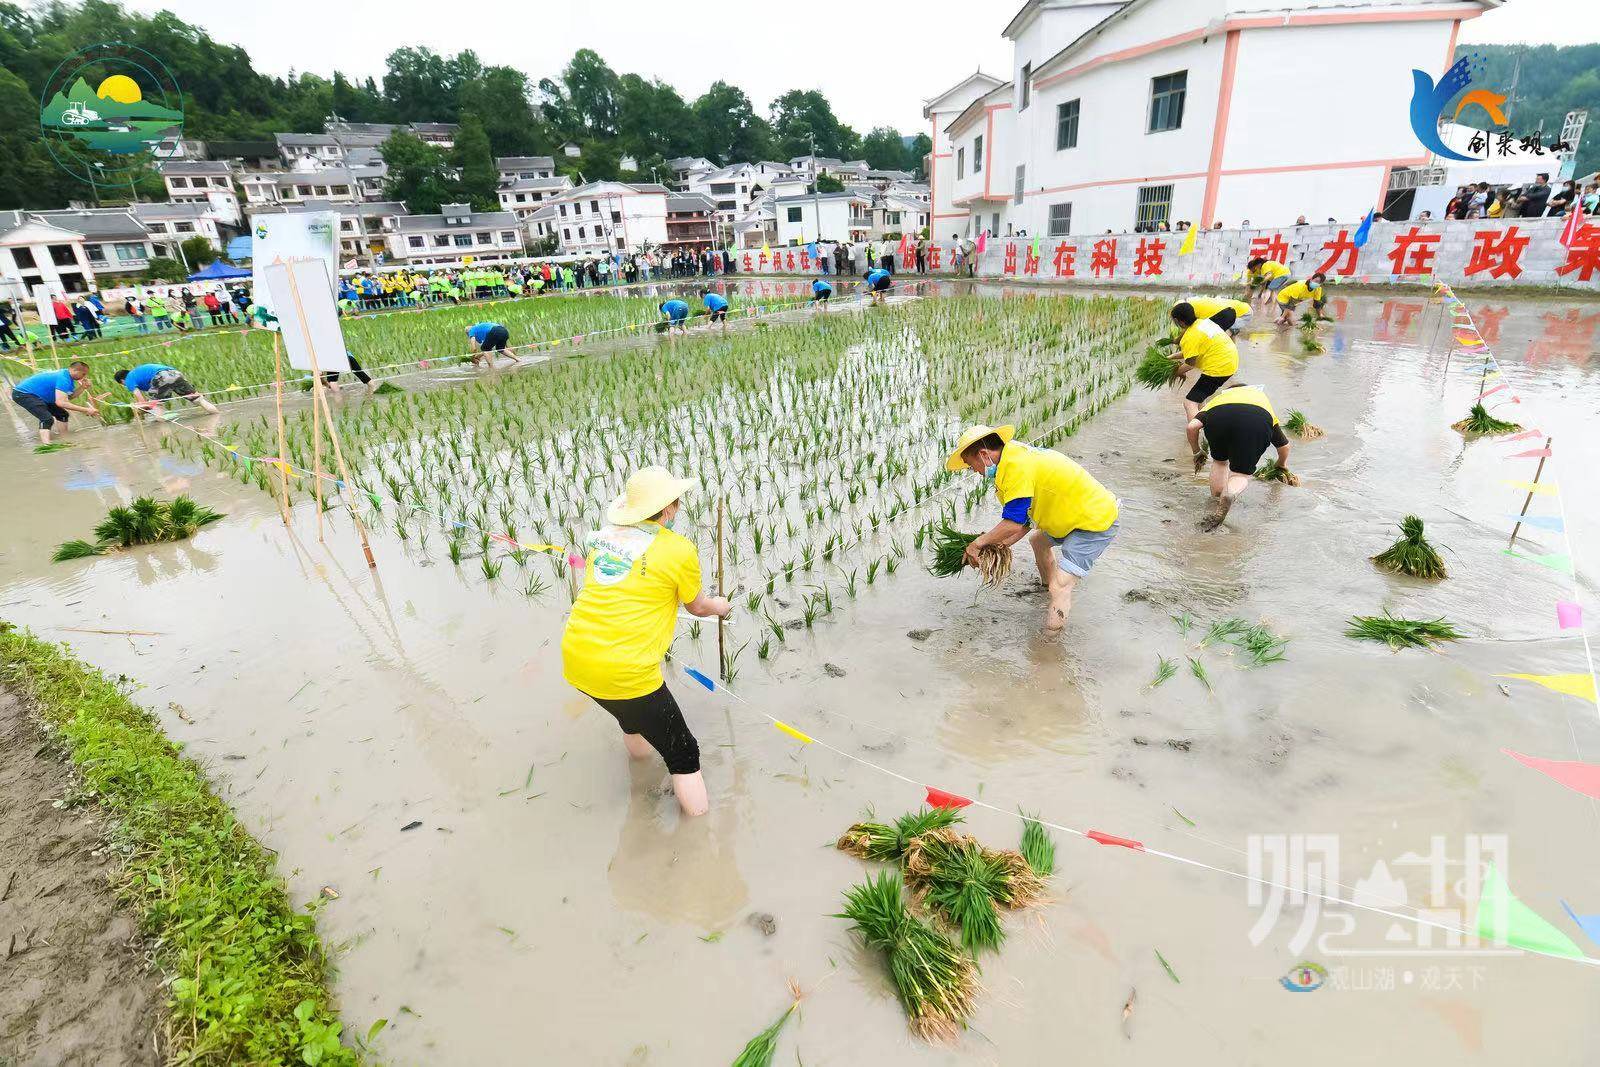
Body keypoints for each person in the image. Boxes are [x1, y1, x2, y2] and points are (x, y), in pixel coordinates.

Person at [561, 466, 730, 817]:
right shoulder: (678, 549)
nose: (678, 509)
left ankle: (641, 779)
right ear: (666, 509)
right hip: (628, 671)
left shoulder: (603, 540)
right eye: (676, 504)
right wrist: (720, 606)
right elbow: (697, 606)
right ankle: (699, 845)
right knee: (684, 754)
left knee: (631, 715)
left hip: (579, 660)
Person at [946, 424, 1119, 632]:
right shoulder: (1012, 457)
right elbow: (1025, 521)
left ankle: (1049, 642)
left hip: (1093, 521)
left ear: (983, 454)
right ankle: (1046, 587)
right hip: (1068, 514)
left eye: (970, 464)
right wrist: (995, 547)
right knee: (1038, 541)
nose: (973, 470)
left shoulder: (1015, 467)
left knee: (1061, 586)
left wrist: (977, 543)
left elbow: (1013, 523)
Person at [1187, 383, 1292, 530]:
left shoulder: (1219, 399)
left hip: (1219, 416)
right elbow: (1284, 446)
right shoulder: (1261, 400)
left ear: (1229, 391)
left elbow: (1192, 426)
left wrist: (1197, 451)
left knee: (1220, 462)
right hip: (1257, 420)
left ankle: (1217, 499)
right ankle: (1229, 494)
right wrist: (1281, 465)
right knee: (1239, 475)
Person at [1167, 301, 1241, 420]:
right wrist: (1170, 358)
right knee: (1199, 397)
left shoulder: (1190, 336)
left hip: (1219, 368)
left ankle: (1195, 431)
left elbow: (1190, 364)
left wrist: (1176, 372)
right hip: (1230, 360)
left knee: (1189, 402)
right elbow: (1191, 352)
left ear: (1179, 321)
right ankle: (1204, 424)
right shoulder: (1203, 323)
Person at [11, 362, 95, 444]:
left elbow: (69, 397)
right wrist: (86, 410)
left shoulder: (68, 378)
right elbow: (61, 403)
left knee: (62, 414)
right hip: (23, 394)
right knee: (47, 419)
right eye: (83, 374)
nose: (84, 377)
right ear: (75, 371)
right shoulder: (64, 379)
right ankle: (47, 445)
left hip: (40, 396)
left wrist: (83, 387)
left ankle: (65, 438)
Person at [114, 363, 221, 416]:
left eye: (121, 384)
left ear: (122, 380)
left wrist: (139, 408)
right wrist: (193, 391)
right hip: (175, 373)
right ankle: (217, 415)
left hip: (161, 377)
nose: (124, 385)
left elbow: (142, 400)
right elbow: (161, 386)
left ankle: (162, 431)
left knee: (157, 405)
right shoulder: (139, 373)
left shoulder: (128, 379)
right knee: (199, 400)